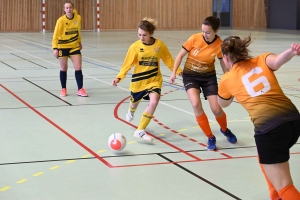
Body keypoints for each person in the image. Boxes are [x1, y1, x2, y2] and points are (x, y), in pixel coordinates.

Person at [218, 35, 300, 200]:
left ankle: (279, 193)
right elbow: (277, 61)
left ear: (226, 58)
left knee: (286, 186)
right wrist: (291, 52)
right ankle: (274, 194)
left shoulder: (227, 79)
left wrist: (231, 87)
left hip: (270, 130)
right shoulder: (262, 59)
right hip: (293, 121)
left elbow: (223, 104)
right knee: (261, 153)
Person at [169, 16, 237, 151]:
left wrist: (230, 79)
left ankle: (224, 129)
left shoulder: (220, 45)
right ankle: (210, 136)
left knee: (216, 109)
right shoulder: (194, 38)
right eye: (203, 31)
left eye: (208, 32)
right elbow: (180, 55)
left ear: (216, 31)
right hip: (190, 76)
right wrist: (173, 72)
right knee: (195, 104)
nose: (204, 34)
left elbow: (224, 65)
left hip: (208, 77)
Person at [112, 17, 182, 142]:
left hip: (154, 80)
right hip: (139, 81)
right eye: (139, 34)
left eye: (144, 35)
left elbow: (169, 60)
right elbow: (126, 64)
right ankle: (131, 110)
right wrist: (119, 78)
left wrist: (178, 71)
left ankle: (140, 130)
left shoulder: (159, 45)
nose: (141, 37)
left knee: (154, 102)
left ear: (151, 33)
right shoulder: (135, 47)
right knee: (134, 103)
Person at [52, 1, 88, 97]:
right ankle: (63, 88)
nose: (69, 9)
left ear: (73, 8)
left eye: (70, 7)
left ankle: (80, 89)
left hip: (74, 46)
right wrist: (55, 48)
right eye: (67, 8)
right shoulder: (60, 20)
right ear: (64, 10)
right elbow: (55, 35)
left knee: (78, 67)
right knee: (64, 68)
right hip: (62, 47)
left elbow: (78, 31)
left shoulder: (78, 18)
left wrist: (79, 42)